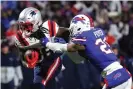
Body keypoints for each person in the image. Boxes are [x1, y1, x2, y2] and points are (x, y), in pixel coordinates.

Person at [40, 14, 132, 89]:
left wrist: (47, 43)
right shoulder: (99, 32)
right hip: (123, 72)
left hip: (114, 77)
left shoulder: (83, 38)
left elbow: (69, 47)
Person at [10, 7, 69, 89]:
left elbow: (60, 46)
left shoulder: (47, 30)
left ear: (36, 22)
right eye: (22, 26)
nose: (24, 29)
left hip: (50, 65)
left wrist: (46, 50)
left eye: (26, 25)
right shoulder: (24, 37)